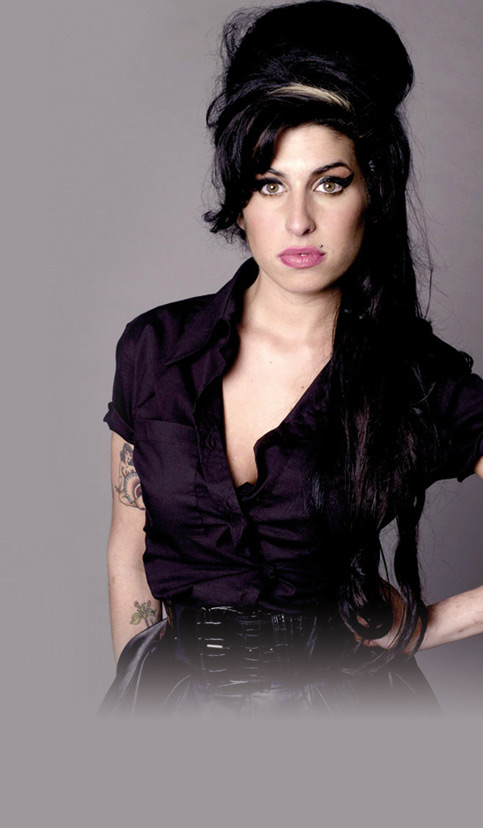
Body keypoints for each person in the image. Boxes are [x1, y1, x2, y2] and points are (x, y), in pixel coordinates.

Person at [99, 0, 483, 716]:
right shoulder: (154, 350)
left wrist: (427, 625)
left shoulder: (414, 374)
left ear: (372, 192)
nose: (298, 219)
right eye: (269, 183)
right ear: (240, 199)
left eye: (329, 183)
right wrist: (134, 684)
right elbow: (129, 550)